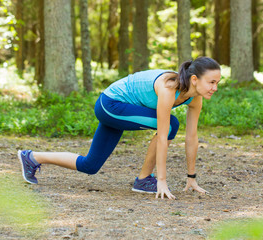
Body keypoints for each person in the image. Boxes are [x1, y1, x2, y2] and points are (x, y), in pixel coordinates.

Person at [18, 56, 221, 200]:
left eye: (217, 83)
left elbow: (191, 138)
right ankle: (144, 180)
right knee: (170, 126)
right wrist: (162, 180)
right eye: (211, 82)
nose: (215, 87)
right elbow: (162, 135)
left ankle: (32, 157)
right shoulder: (170, 87)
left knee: (90, 165)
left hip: (120, 109)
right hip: (110, 104)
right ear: (195, 79)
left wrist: (191, 177)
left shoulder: (195, 99)